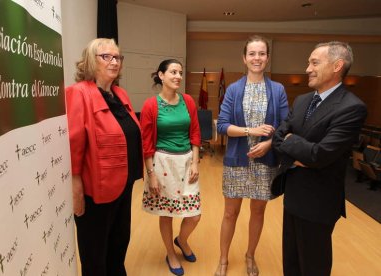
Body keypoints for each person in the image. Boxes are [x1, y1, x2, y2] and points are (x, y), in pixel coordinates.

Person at [272, 41, 367, 276]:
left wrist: (292, 143)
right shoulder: (303, 100)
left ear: (337, 66)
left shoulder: (351, 107)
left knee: (313, 267)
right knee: (291, 264)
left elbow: (319, 155)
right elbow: (277, 139)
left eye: (314, 62)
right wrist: (299, 150)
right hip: (293, 194)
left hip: (318, 202)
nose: (307, 69)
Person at [66, 38, 143, 276]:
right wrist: (76, 185)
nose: (114, 62)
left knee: (119, 242)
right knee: (95, 253)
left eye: (117, 57)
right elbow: (73, 143)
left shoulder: (121, 94)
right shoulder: (78, 93)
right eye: (106, 57)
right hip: (96, 190)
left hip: (123, 183)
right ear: (91, 61)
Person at [215, 35, 289, 276]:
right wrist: (251, 131)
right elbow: (222, 125)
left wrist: (268, 143)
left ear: (267, 58)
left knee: (258, 212)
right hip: (237, 162)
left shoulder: (277, 89)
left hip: (265, 162)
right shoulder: (234, 89)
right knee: (230, 213)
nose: (257, 58)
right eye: (252, 54)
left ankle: (250, 256)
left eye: (261, 53)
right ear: (244, 58)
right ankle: (223, 260)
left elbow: (286, 125)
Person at [140, 59, 201, 276]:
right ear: (161, 75)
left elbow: (195, 132)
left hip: (186, 162)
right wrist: (151, 174)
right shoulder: (151, 105)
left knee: (194, 214)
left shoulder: (188, 101)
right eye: (173, 72)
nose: (178, 76)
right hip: (162, 163)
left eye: (180, 72)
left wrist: (195, 161)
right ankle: (170, 252)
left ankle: (181, 240)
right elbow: (146, 143)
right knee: (166, 213)